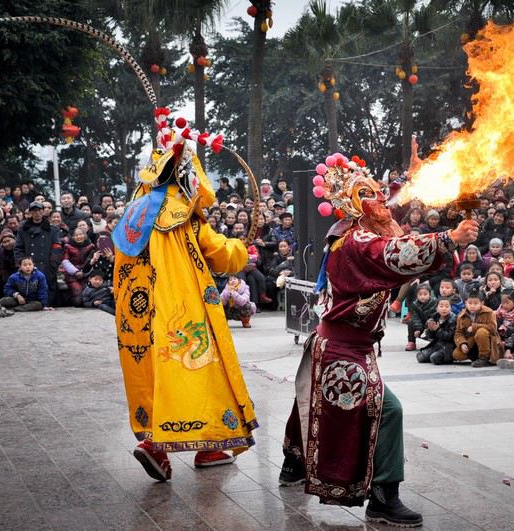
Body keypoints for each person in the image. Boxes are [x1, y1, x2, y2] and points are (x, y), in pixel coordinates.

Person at [281, 150, 479, 526]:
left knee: (310, 399)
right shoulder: (357, 242)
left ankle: (293, 463)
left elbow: (396, 253)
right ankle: (384, 498)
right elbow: (394, 255)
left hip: (343, 345)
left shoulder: (355, 234)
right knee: (388, 410)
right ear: (357, 206)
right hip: (343, 351)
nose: (384, 201)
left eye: (380, 192)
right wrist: (448, 238)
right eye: (371, 195)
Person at [112, 126, 258, 479]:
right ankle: (199, 448)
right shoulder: (184, 215)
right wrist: (243, 248)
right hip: (182, 311)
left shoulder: (133, 213)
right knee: (201, 371)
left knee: (151, 375)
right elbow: (221, 256)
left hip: (136, 318)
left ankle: (156, 443)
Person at [14, 201, 63, 306]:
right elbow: (18, 248)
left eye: (39, 210)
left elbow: (57, 247)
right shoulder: (23, 230)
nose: (37, 213)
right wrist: (21, 263)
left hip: (47, 265)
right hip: (29, 265)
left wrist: (53, 264)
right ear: (30, 213)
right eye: (34, 211)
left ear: (43, 211)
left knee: (48, 289)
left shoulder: (52, 229)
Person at [454, 290, 501, 367]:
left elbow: (493, 328)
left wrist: (475, 327)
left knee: (481, 332)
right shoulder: (461, 315)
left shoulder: (488, 312)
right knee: (457, 355)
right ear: (465, 302)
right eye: (470, 303)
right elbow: (458, 333)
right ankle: (475, 356)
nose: (472, 306)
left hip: (488, 339)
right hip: (472, 340)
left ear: (481, 303)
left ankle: (484, 358)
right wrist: (462, 343)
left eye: (476, 303)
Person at [416, 297, 457, 365]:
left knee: (434, 358)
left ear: (451, 308)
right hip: (437, 345)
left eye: (447, 306)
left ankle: (448, 358)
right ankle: (435, 355)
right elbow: (431, 337)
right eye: (441, 306)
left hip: (448, 346)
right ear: (437, 308)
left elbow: (449, 337)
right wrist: (430, 330)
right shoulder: (435, 317)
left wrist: (438, 329)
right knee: (420, 357)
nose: (444, 308)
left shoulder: (453, 319)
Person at [406, 284, 436, 351]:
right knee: (411, 321)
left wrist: (429, 325)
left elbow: (435, 316)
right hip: (421, 325)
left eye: (425, 294)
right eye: (420, 294)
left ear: (429, 294)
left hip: (431, 324)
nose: (423, 297)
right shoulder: (415, 305)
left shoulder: (434, 302)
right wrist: (418, 329)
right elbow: (415, 317)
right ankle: (411, 342)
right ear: (417, 296)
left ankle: (435, 343)